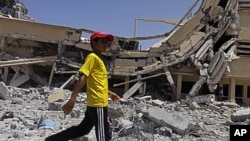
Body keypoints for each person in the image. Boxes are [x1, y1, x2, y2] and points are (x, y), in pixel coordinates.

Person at [45, 31, 120, 141]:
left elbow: (98, 83)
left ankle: (53, 139)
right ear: (94, 43)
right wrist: (72, 101)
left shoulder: (99, 59)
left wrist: (110, 93)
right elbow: (82, 78)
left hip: (95, 103)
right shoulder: (92, 57)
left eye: (106, 42)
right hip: (98, 104)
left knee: (83, 129)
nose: (105, 45)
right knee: (104, 135)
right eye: (102, 42)